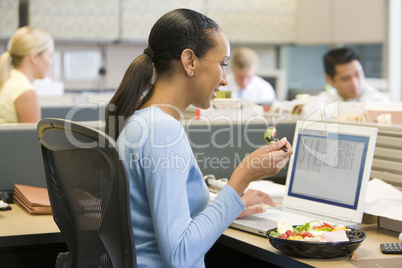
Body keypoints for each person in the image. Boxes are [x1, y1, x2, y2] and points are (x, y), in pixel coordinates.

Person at [105, 9, 292, 268]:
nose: (225, 79)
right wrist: (241, 178)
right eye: (222, 64)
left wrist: (230, 205)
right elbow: (180, 255)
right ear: (190, 61)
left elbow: (164, 219)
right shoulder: (163, 131)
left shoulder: (142, 120)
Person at [0, 26, 54, 124]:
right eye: (49, 56)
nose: (51, 63)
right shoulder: (25, 91)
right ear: (34, 57)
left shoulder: (10, 80)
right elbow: (33, 138)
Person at [320, 47, 389, 102]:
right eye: (346, 79)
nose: (354, 84)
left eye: (357, 74)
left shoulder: (378, 102)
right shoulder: (323, 101)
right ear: (329, 80)